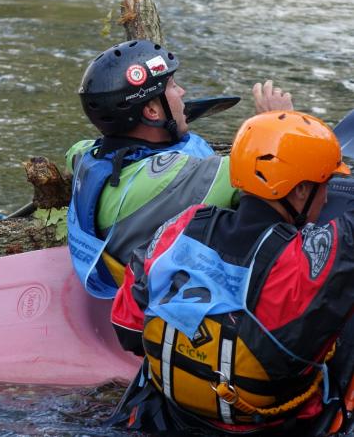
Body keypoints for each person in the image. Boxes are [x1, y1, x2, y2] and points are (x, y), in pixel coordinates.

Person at [109, 110, 354, 435]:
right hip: (278, 424)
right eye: (323, 185)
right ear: (299, 191)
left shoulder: (180, 228)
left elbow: (126, 328)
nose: (326, 198)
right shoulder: (306, 264)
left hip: (169, 418)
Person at [66, 38, 293, 300]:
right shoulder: (176, 177)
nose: (183, 92)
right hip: (173, 304)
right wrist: (277, 122)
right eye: (173, 86)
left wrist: (170, 118)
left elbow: (74, 149)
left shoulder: (87, 157)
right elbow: (262, 170)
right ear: (151, 111)